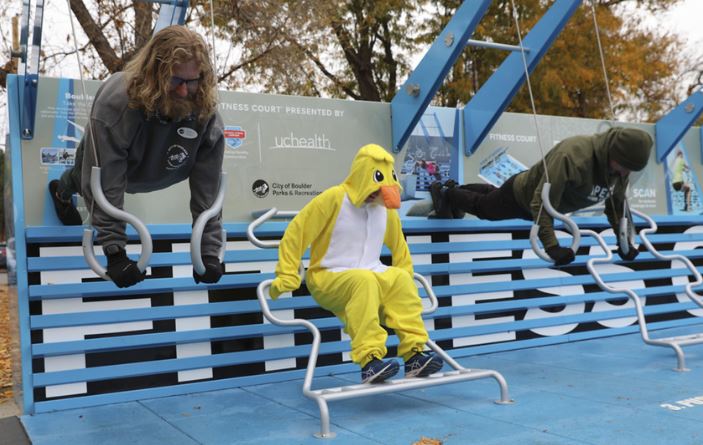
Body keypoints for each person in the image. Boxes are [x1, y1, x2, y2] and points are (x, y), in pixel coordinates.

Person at [48, 25, 225, 288]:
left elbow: (208, 189)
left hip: (167, 167)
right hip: (118, 164)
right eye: (176, 81)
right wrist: (115, 253)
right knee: (79, 177)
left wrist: (209, 253)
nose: (185, 91)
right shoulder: (116, 101)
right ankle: (60, 193)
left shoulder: (204, 112)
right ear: (155, 73)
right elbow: (105, 182)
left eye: (192, 81)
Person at [270, 144, 444, 383]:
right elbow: (296, 233)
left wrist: (405, 278)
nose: (379, 195)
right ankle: (369, 360)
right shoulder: (334, 198)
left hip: (370, 272)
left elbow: (399, 247)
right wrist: (288, 273)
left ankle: (414, 355)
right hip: (327, 276)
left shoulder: (385, 210)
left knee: (399, 279)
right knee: (364, 281)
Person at [430, 127, 653, 266]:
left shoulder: (620, 170)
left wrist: (625, 241)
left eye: (630, 170)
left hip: (531, 200)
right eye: (624, 167)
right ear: (613, 154)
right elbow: (542, 201)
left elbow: (616, 206)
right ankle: (446, 192)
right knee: (485, 208)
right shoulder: (573, 156)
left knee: (491, 196)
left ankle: (456, 187)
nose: (625, 174)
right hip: (522, 196)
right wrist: (552, 247)